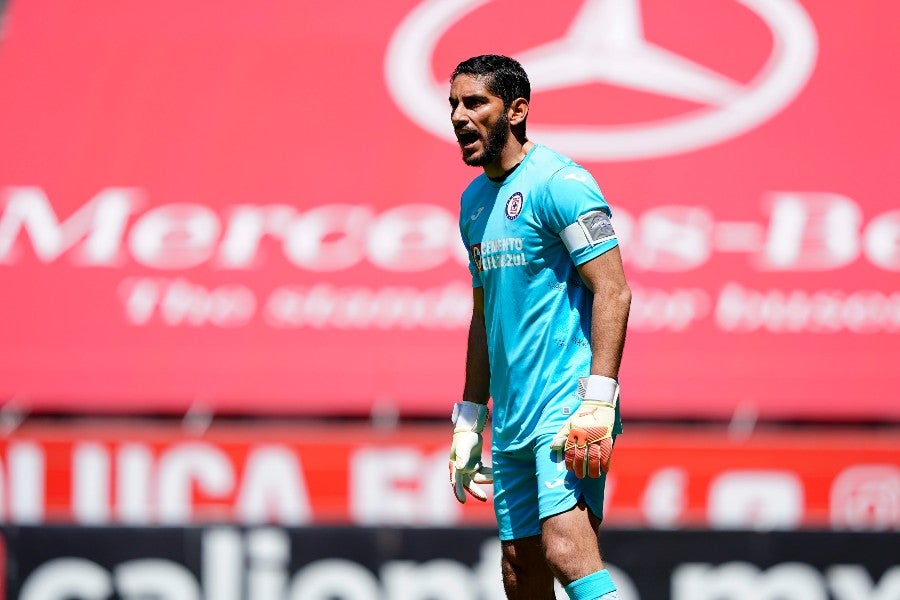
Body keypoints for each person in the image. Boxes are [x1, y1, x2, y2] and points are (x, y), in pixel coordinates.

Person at [447, 54, 631, 600]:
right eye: (453, 104)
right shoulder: (473, 203)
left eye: (475, 102)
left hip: (568, 404)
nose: (459, 116)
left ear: (517, 109)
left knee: (565, 549)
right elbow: (484, 316)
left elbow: (614, 289)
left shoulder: (561, 183)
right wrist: (468, 417)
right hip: (512, 413)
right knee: (518, 571)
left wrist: (598, 398)